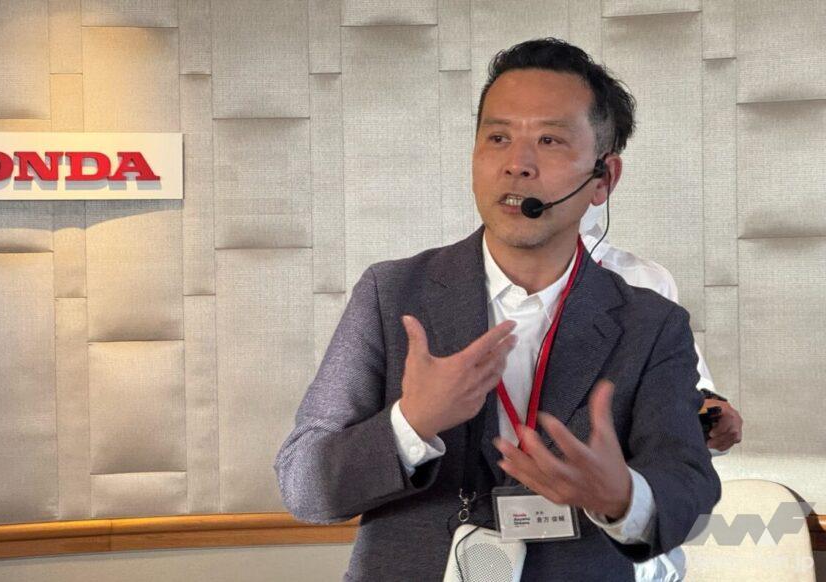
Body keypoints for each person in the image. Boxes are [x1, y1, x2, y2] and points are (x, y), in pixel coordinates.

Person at [275, 38, 720, 581]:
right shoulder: (391, 294)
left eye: (549, 140)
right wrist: (412, 423)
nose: (517, 165)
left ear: (603, 178)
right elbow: (304, 485)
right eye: (498, 137)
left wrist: (625, 497)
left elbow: (688, 483)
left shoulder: (651, 324)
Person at [580, 204, 743, 581]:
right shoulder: (472, 286)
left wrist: (713, 416)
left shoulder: (644, 278)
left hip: (638, 546)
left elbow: (688, 397)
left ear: (605, 181)